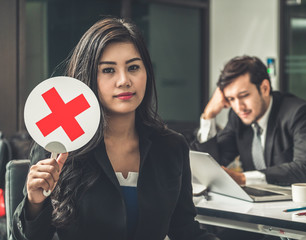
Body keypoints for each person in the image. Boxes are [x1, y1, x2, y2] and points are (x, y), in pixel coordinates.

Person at [12, 18, 219, 240]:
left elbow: (185, 230)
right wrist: (34, 203)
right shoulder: (58, 145)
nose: (124, 80)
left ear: (146, 72)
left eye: (133, 67)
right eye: (108, 70)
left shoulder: (171, 147)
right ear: (89, 78)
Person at [192, 55, 306, 187]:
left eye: (244, 95)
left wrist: (243, 179)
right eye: (231, 99)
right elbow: (212, 165)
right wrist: (208, 115)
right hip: (265, 203)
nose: (238, 107)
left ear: (265, 88)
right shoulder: (238, 117)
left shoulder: (299, 113)